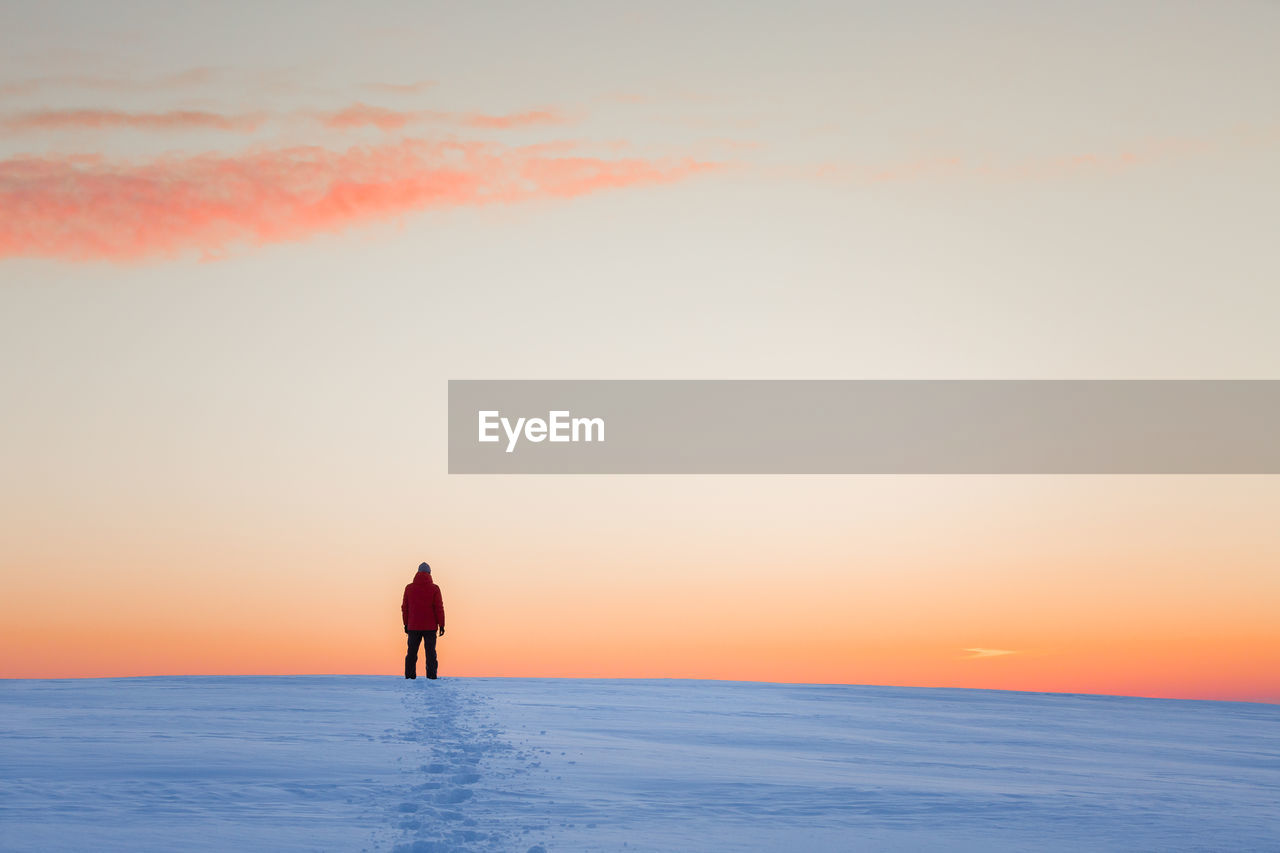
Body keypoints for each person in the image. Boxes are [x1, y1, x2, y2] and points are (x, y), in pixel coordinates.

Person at [402, 562, 445, 679]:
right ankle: (431, 677)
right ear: (429, 573)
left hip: (413, 626)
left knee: (411, 653)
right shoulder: (435, 588)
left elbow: (405, 608)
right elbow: (439, 607)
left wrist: (405, 623)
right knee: (430, 653)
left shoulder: (409, 588)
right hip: (430, 627)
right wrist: (441, 625)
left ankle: (410, 677)